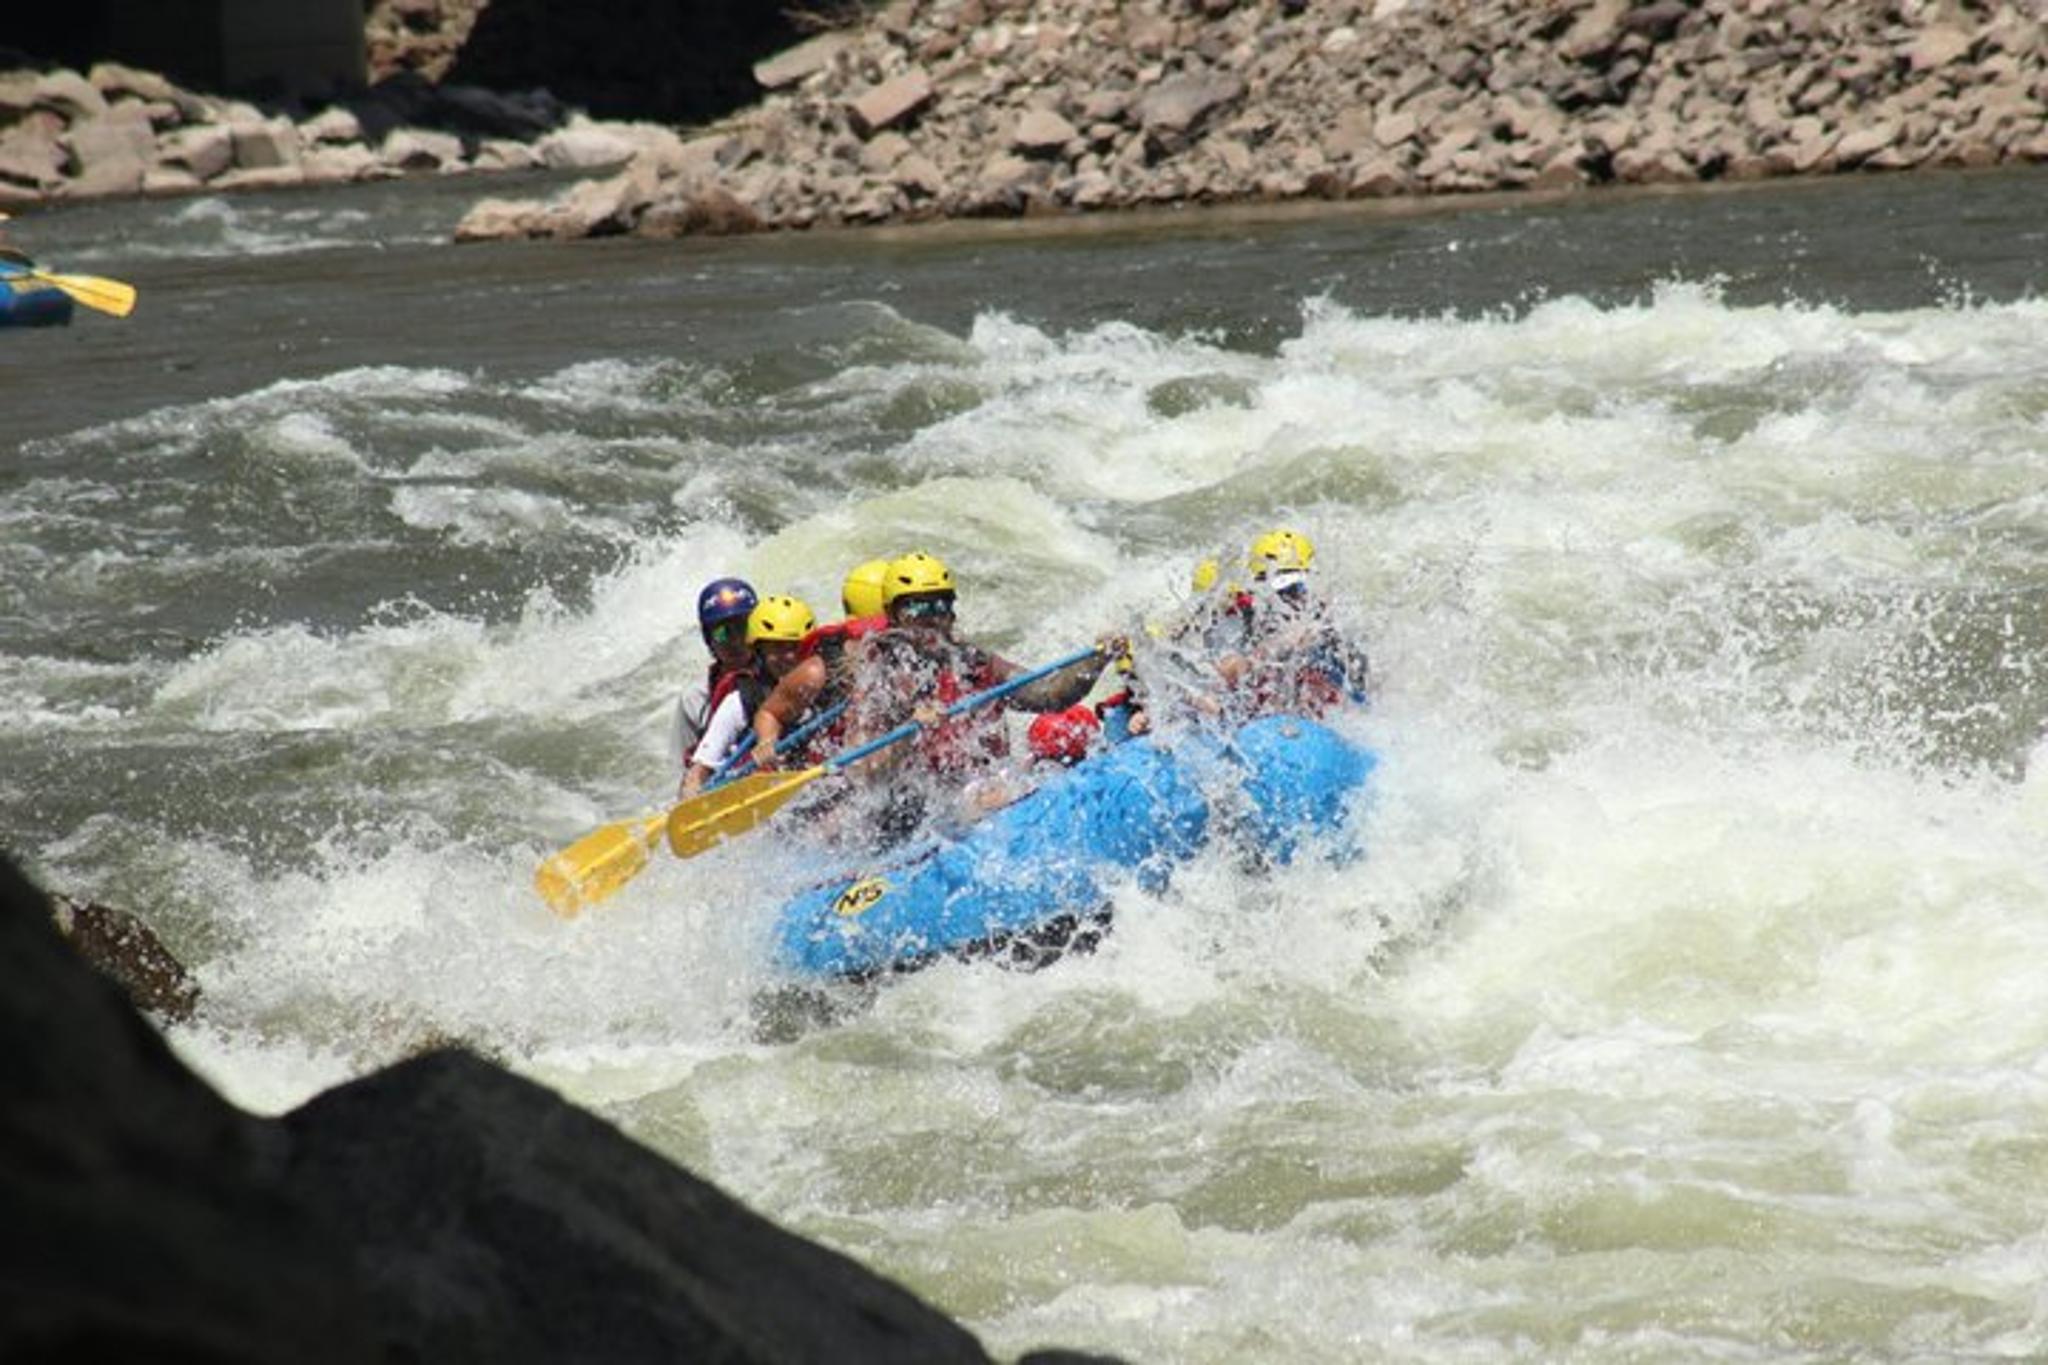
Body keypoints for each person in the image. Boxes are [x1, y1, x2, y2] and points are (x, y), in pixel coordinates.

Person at [841, 550, 1124, 840]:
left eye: (940, 605)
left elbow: (1049, 694)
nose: (932, 618)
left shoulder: (973, 661)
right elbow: (863, 771)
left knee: (1066, 729)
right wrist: (907, 730)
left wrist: (1097, 659)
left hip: (985, 789)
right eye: (917, 609)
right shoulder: (881, 677)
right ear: (893, 615)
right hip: (918, 814)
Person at [746, 557, 896, 772]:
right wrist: (767, 741)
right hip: (829, 777)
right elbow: (769, 713)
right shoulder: (817, 671)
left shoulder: (920, 656)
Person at [1211, 529, 1371, 718]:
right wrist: (1272, 649)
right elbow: (1224, 670)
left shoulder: (1328, 620)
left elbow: (1363, 676)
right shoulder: (1242, 614)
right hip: (1260, 710)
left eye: (1298, 589)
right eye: (1283, 592)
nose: (1292, 600)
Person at [679, 594, 815, 796]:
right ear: (758, 651)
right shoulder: (739, 702)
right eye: (776, 649)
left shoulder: (824, 686)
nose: (788, 657)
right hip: (761, 797)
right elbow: (697, 774)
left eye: (795, 647)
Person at [670, 576, 758, 773]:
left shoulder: (782, 674)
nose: (735, 641)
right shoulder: (695, 698)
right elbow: (682, 770)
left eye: (743, 628)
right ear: (709, 639)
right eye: (722, 633)